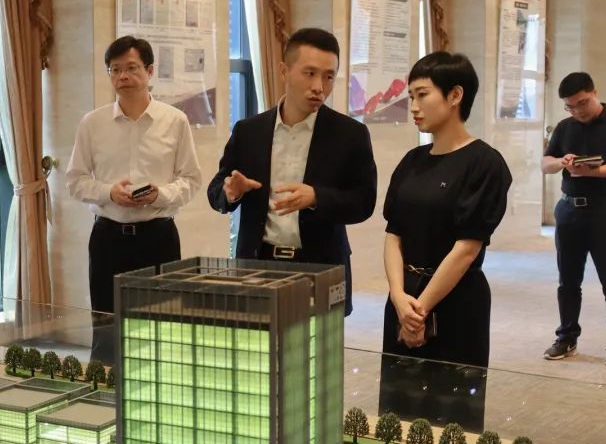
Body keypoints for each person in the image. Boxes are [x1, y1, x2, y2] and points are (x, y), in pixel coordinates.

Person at [378, 52, 511, 431]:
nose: (414, 107)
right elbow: (393, 235)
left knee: (452, 416)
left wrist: (418, 311)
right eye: (411, 97)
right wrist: (398, 297)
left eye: (422, 95)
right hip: (404, 298)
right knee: (398, 411)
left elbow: (467, 249)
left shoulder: (485, 163)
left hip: (456, 301)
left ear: (455, 95)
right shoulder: (412, 160)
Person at [207, 27, 376, 315]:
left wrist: (317, 197)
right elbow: (216, 191)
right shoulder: (249, 131)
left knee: (317, 345)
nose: (319, 86)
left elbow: (364, 202)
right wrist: (231, 192)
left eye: (329, 76)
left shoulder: (351, 134)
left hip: (320, 268)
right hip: (258, 266)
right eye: (309, 73)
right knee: (258, 342)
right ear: (284, 71)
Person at [66, 35, 202, 363]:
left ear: (150, 71)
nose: (123, 76)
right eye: (114, 70)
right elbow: (75, 181)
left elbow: (191, 180)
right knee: (107, 328)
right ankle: (105, 389)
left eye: (131, 68)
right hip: (108, 239)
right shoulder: (92, 123)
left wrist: (160, 195)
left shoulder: (175, 120)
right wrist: (108, 192)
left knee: (161, 327)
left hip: (158, 238)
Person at [542, 72, 606, 367]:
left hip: (603, 210)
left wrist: (590, 171)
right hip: (569, 210)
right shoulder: (564, 127)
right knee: (568, 280)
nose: (577, 111)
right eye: (570, 106)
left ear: (594, 92)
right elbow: (546, 163)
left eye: (582, 103)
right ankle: (567, 337)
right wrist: (562, 162)